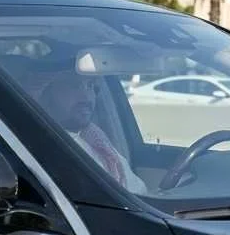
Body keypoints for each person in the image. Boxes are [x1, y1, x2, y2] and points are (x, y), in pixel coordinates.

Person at [23, 65, 149, 194]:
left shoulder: (95, 140)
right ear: (44, 94)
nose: (87, 97)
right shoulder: (37, 148)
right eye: (73, 86)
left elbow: (138, 194)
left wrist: (164, 191)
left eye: (90, 85)